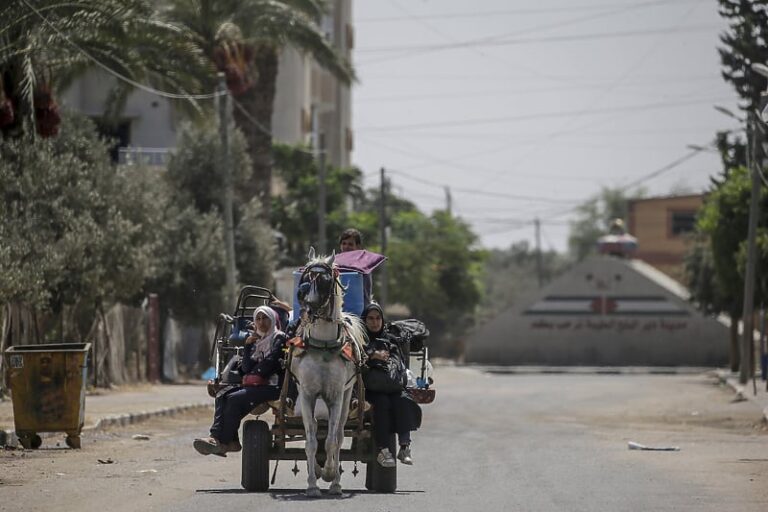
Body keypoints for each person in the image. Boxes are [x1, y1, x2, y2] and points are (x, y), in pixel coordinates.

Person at [193, 306, 287, 456]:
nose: (261, 323)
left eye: (265, 319)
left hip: (273, 386)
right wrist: (249, 345)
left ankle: (221, 441)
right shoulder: (257, 340)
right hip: (256, 386)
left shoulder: (279, 337)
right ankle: (224, 439)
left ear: (273, 320)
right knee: (222, 394)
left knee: (234, 399)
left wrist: (255, 373)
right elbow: (245, 368)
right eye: (258, 319)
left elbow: (272, 362)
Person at [361, 302, 421, 467]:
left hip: (392, 385)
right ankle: (383, 449)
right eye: (370, 319)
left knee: (403, 399)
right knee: (381, 404)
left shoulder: (390, 339)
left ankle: (404, 446)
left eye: (378, 318)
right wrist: (373, 355)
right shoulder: (360, 339)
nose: (374, 322)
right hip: (370, 389)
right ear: (364, 321)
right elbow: (356, 358)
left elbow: (398, 359)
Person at [338, 228, 373, 305]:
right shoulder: (334, 263)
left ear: (358, 246)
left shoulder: (363, 265)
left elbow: (366, 293)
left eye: (350, 244)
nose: (346, 246)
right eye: (344, 243)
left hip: (359, 308)